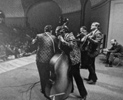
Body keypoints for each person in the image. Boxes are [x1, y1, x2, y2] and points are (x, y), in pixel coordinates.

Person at [58, 27, 87, 100]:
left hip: (74, 59)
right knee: (69, 75)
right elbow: (60, 47)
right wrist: (60, 41)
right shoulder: (64, 36)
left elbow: (71, 46)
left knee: (77, 76)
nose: (57, 34)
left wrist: (62, 40)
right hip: (68, 59)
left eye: (58, 32)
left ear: (63, 31)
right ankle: (70, 89)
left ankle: (83, 94)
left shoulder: (70, 36)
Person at [32, 25, 58, 100]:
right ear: (51, 30)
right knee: (48, 75)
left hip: (40, 60)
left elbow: (33, 44)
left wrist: (33, 41)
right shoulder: (53, 37)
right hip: (50, 60)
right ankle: (49, 89)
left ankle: (44, 90)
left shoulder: (39, 36)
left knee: (42, 75)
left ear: (44, 30)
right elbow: (56, 49)